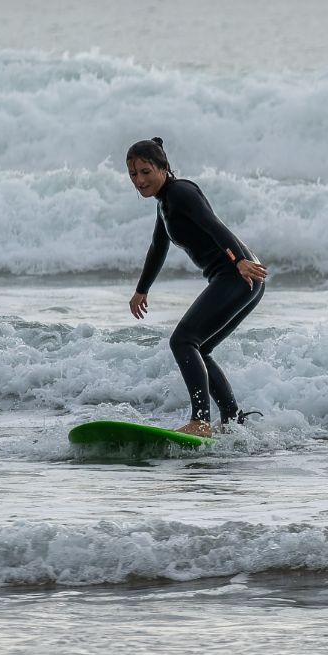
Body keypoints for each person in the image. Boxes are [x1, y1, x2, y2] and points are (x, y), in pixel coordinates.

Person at [125, 137, 269, 437]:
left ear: (163, 168)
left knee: (183, 341)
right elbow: (158, 247)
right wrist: (142, 289)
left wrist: (239, 260)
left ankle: (200, 420)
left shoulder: (181, 192)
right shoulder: (165, 202)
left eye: (146, 172)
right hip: (241, 277)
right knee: (199, 348)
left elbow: (213, 224)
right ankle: (232, 420)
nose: (139, 181)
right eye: (133, 174)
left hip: (238, 275)